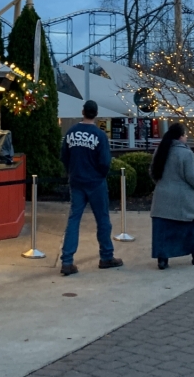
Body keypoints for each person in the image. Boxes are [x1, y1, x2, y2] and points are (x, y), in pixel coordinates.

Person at [59, 100, 123, 276]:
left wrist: (71, 171)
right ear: (96, 114)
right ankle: (106, 256)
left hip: (77, 181)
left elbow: (64, 156)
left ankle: (67, 261)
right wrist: (100, 174)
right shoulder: (99, 135)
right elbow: (105, 162)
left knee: (74, 220)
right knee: (102, 220)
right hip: (95, 183)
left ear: (83, 112)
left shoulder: (71, 132)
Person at [150, 123, 194, 269]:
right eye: (185, 134)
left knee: (163, 231)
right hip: (183, 200)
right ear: (180, 136)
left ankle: (162, 259)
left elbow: (153, 172)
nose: (186, 137)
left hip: (162, 199)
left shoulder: (160, 150)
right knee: (190, 227)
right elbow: (192, 176)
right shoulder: (185, 153)